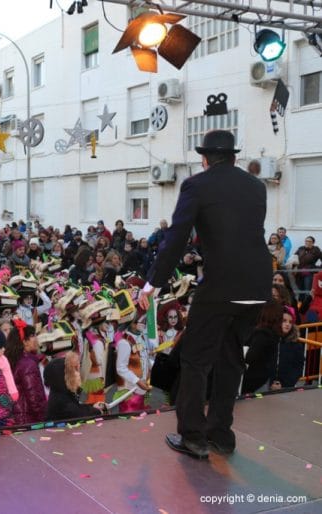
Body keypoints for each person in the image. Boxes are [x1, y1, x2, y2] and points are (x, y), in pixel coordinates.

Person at [139, 130, 272, 459]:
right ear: (234, 157)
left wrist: (151, 283)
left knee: (195, 360)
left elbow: (176, 237)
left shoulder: (197, 185)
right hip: (257, 286)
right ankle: (221, 435)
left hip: (221, 286)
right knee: (231, 360)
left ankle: (193, 437)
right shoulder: (257, 186)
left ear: (205, 159)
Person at [5, 319, 46, 424]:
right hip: (28, 418)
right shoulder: (28, 364)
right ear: (24, 341)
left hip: (17, 416)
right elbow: (34, 397)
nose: (36, 339)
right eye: (33, 336)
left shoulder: (12, 359)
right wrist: (43, 418)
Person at [44, 352, 104, 422]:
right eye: (74, 371)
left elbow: (77, 408)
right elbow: (78, 413)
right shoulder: (61, 399)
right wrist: (96, 411)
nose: (78, 373)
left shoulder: (61, 391)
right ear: (63, 377)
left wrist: (93, 406)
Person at [242, 301, 285, 394]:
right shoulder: (274, 334)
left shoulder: (262, 334)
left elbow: (250, 357)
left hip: (253, 377)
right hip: (263, 376)